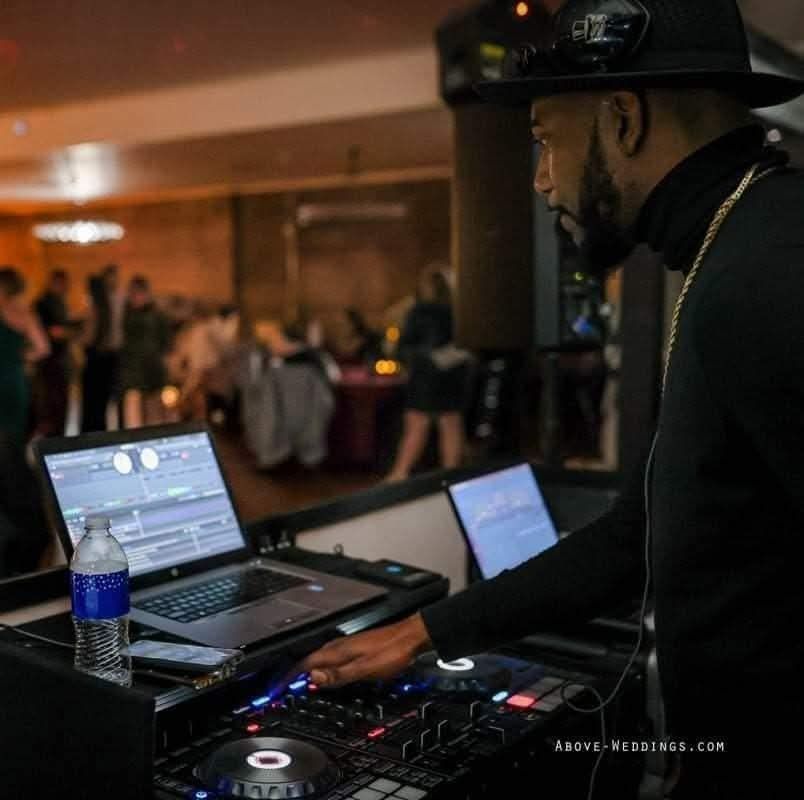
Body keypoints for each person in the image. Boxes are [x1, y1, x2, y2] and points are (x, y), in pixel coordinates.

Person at [302, 1, 804, 797]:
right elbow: (640, 531)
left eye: (544, 141)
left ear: (623, 118)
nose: (539, 180)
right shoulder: (733, 246)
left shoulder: (766, 271)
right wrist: (428, 628)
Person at [385, 268, 471, 481]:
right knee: (447, 423)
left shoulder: (419, 312)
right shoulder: (458, 311)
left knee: (421, 424)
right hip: (448, 375)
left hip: (429, 377)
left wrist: (421, 359)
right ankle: (449, 475)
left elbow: (403, 349)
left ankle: (400, 474)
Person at [0, 267, 50, 445]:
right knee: (13, 436)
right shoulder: (25, 313)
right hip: (15, 378)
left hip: (9, 377)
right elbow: (43, 348)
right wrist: (21, 356)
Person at [119, 275, 171, 428]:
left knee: (153, 412)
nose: (134, 297)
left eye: (137, 293)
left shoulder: (157, 315)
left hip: (152, 368)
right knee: (132, 413)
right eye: (132, 293)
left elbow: (165, 342)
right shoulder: (127, 314)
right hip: (132, 369)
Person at [81, 263, 124, 432]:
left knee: (103, 400)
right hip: (99, 356)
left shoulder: (115, 301)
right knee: (95, 402)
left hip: (108, 356)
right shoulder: (97, 303)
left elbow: (91, 334)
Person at [33, 268, 75, 437]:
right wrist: (73, 332)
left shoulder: (60, 302)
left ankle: (59, 438)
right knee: (51, 405)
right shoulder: (43, 304)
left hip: (60, 360)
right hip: (50, 362)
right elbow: (53, 332)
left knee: (61, 405)